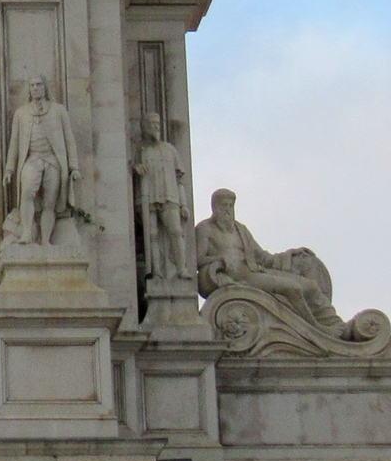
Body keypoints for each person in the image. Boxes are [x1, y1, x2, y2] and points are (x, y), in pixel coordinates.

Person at [193, 188, 343, 327]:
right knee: (293, 288)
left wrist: (290, 254)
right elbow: (197, 260)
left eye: (231, 206)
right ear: (214, 207)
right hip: (239, 276)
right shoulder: (205, 229)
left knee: (309, 285)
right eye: (224, 206)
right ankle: (314, 329)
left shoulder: (240, 229)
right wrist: (219, 259)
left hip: (256, 270)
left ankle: (335, 326)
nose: (228, 211)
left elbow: (263, 257)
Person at [4, 77, 79, 246]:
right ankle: (26, 232)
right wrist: (9, 170)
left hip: (53, 161)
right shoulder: (21, 113)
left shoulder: (58, 110)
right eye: (32, 85)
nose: (36, 88)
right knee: (27, 193)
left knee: (49, 203)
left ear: (45, 87)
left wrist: (74, 166)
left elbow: (69, 140)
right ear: (29, 89)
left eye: (39, 84)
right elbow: (14, 144)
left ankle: (46, 240)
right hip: (32, 160)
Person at [131, 113, 191, 282]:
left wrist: (184, 204)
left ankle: (181, 268)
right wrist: (136, 167)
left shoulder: (170, 149)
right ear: (144, 127)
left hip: (170, 196)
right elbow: (131, 166)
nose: (156, 126)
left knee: (175, 231)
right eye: (152, 123)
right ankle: (156, 271)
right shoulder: (139, 149)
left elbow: (179, 179)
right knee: (152, 235)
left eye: (158, 123)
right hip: (147, 197)